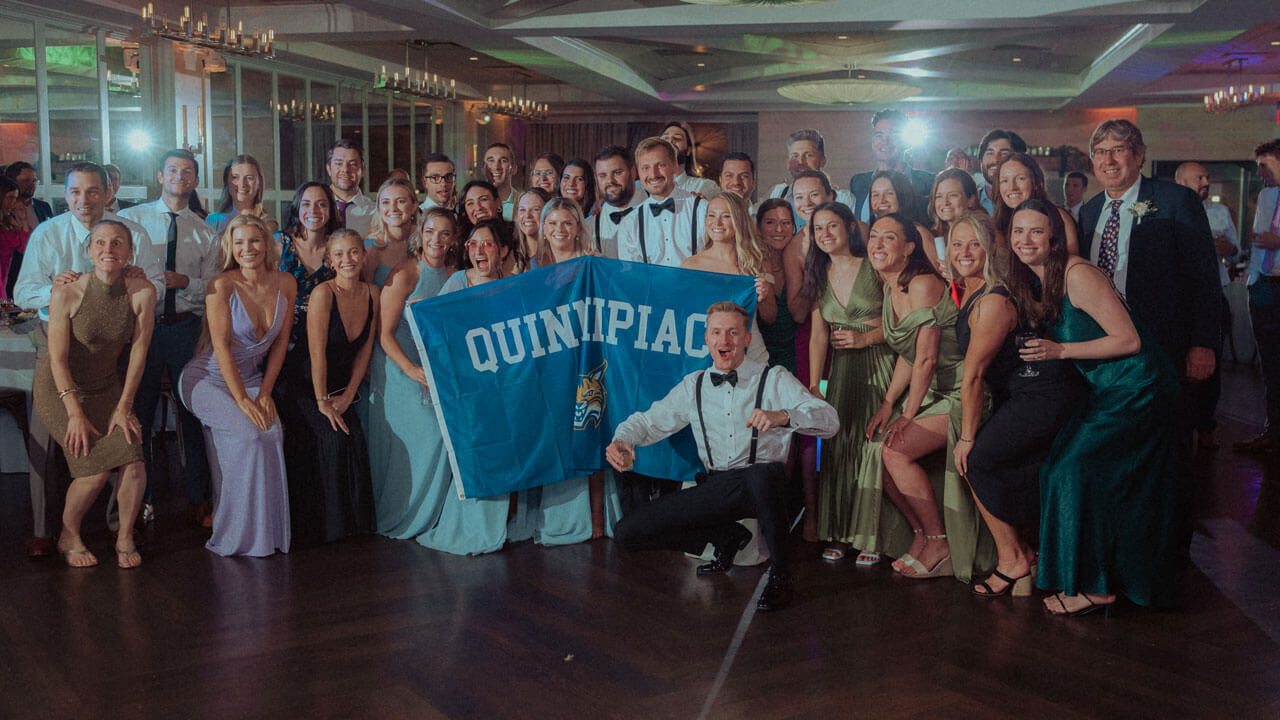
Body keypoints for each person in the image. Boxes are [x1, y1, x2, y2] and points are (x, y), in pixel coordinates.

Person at [1007, 198, 1182, 614]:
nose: (1025, 239)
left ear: (1053, 237)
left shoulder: (1078, 274)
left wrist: (1060, 350)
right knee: (1060, 469)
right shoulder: (1034, 278)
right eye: (1018, 231)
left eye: (1035, 231)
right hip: (1108, 390)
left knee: (1071, 470)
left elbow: (1129, 341)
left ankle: (1096, 586)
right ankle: (1092, 576)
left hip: (1140, 388)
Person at [606, 301, 840, 611]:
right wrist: (622, 438)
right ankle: (726, 536)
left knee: (760, 475)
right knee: (627, 534)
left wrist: (783, 415)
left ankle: (782, 576)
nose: (724, 341)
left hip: (768, 486)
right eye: (716, 332)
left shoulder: (773, 378)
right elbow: (650, 421)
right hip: (719, 486)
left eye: (732, 332)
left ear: (747, 339)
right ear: (706, 339)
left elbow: (829, 420)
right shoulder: (695, 385)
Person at [1076, 119, 1219, 561]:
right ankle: (1122, 547)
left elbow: (1203, 276)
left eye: (1119, 150)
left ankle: (1169, 558)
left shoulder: (1174, 201)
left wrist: (1204, 342)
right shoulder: (1088, 209)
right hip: (1108, 354)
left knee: (1171, 454)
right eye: (1101, 153)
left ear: (1139, 155)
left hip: (1166, 347)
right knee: (1120, 452)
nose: (1109, 160)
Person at [13, 162, 162, 558]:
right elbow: (22, 291)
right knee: (49, 442)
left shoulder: (132, 235)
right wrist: (57, 289)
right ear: (66, 195)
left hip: (112, 352)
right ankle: (48, 530)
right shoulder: (48, 233)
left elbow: (155, 285)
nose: (84, 199)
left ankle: (120, 527)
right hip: (58, 347)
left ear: (108, 192)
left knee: (126, 443)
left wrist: (133, 278)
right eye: (76, 192)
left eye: (93, 191)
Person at [950, 211, 1081, 597]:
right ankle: (1028, 553)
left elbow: (972, 376)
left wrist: (967, 437)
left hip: (1044, 393)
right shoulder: (975, 291)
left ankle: (1014, 558)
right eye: (957, 244)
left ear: (991, 248)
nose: (965, 251)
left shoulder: (994, 299)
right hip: (1025, 393)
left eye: (974, 243)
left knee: (975, 461)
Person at [858, 213, 985, 581]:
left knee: (896, 449)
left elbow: (928, 356)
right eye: (874, 237)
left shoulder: (923, 283)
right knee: (875, 451)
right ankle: (920, 534)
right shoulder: (889, 286)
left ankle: (940, 541)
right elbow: (908, 353)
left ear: (909, 248)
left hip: (962, 390)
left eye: (889, 238)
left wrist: (908, 415)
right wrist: (887, 404)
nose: (878, 244)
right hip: (931, 389)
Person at [32, 219, 155, 568]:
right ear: (88, 252)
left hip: (106, 386)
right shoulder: (67, 292)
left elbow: (139, 354)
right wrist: (74, 412)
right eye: (100, 243)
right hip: (60, 387)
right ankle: (68, 534)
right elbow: (56, 358)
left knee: (133, 459)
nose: (108, 250)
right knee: (94, 471)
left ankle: (127, 535)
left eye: (117, 243)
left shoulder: (143, 291)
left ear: (130, 251)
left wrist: (125, 406)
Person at [180, 214, 296, 557]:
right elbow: (220, 349)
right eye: (240, 242)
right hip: (208, 380)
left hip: (253, 380)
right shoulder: (221, 285)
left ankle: (266, 536)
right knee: (247, 435)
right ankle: (231, 533)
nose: (248, 249)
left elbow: (280, 344)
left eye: (255, 241)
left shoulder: (286, 282)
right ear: (230, 247)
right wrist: (243, 400)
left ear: (267, 244)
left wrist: (263, 393)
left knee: (272, 434)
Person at [118, 149, 218, 528]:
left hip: (186, 328)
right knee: (136, 415)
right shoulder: (131, 220)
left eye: (188, 171)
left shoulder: (205, 231)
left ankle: (198, 497)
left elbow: (211, 286)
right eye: (173, 170)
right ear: (160, 176)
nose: (180, 176)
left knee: (193, 412)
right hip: (141, 329)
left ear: (194, 179)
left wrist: (185, 282)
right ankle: (138, 504)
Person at [800, 201, 894, 564]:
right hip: (841, 373)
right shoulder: (819, 273)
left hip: (880, 365)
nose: (825, 234)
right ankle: (839, 531)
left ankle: (870, 535)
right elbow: (818, 336)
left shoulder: (874, 266)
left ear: (850, 227)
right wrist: (813, 386)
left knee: (872, 445)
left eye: (832, 226)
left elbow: (902, 323)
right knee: (839, 449)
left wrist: (865, 337)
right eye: (818, 228)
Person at [280, 229, 377, 546]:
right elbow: (316, 351)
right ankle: (325, 530)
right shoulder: (323, 293)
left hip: (338, 387)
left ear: (363, 256)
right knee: (333, 439)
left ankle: (354, 528)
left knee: (357, 439)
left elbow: (364, 351)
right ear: (330, 261)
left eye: (353, 252)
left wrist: (349, 395)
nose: (347, 260)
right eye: (339, 254)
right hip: (303, 386)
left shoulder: (373, 294)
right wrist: (322, 401)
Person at [367, 206, 459, 543]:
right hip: (398, 365)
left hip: (436, 367)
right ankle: (406, 513)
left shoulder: (455, 274)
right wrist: (411, 370)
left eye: (445, 233)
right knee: (433, 431)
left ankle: (435, 515)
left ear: (453, 240)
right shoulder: (406, 272)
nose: (437, 239)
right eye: (431, 231)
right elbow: (384, 334)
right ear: (421, 233)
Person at [429, 218, 519, 554]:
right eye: (472, 244)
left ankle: (503, 521)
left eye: (487, 244)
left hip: (505, 386)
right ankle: (471, 524)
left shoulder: (515, 286)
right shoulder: (456, 282)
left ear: (503, 251)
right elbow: (436, 331)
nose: (478, 250)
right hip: (467, 386)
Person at [1176, 161, 1236, 451]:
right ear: (1181, 181)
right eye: (1199, 177)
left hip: (1214, 294)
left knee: (1211, 362)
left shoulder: (1219, 212)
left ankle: (1207, 425)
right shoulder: (1171, 210)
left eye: (1207, 177)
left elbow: (1232, 249)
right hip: (1178, 299)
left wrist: (1210, 245)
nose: (1205, 181)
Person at [681, 192, 774, 365]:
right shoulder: (690, 265)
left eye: (725, 216)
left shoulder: (758, 262)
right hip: (705, 356)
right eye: (711, 215)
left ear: (739, 220)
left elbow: (770, 318)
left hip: (752, 357)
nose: (716, 223)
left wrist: (765, 296)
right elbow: (681, 317)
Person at [1237, 140, 1280, 454]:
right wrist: (1252, 282)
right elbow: (1258, 239)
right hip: (1264, 283)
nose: (1260, 172)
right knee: (1270, 363)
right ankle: (1273, 432)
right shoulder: (1266, 196)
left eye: (1265, 165)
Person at [615, 137, 707, 267]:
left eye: (660, 165)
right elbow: (631, 277)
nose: (653, 174)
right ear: (638, 172)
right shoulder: (630, 223)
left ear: (674, 165)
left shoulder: (702, 210)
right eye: (645, 168)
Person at [850, 109, 935, 224]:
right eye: (879, 135)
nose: (885, 141)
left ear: (906, 143)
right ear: (873, 141)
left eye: (893, 135)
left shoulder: (929, 182)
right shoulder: (858, 182)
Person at [993, 153, 1080, 255]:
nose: (1012, 187)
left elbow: (1074, 264)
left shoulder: (1059, 216)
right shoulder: (998, 223)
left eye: (1020, 178)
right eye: (1004, 181)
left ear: (1036, 183)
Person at [765, 129, 855, 211]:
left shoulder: (843, 199)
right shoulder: (777, 194)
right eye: (795, 156)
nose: (800, 162)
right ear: (788, 164)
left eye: (808, 155)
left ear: (822, 161)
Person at [867, 170, 937, 271]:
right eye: (875, 195)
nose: (881, 200)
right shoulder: (872, 231)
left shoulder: (919, 233)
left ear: (903, 196)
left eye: (889, 193)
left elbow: (941, 274)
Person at [363, 178, 419, 286]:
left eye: (400, 201)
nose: (393, 208)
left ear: (414, 206)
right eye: (385, 202)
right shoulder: (370, 247)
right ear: (379, 208)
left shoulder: (426, 238)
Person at [591, 145, 643, 259]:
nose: (610, 180)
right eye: (603, 175)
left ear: (633, 172)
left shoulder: (660, 208)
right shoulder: (590, 226)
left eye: (617, 172)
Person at [206, 154, 277, 235]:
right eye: (235, 177)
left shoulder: (267, 223)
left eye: (249, 178)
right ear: (227, 182)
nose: (242, 184)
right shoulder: (212, 220)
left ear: (259, 183)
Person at [326, 139, 376, 238]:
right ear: (329, 169)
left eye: (352, 164)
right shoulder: (314, 209)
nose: (345, 170)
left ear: (363, 171)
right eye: (338, 163)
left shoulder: (376, 212)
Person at [660, 121, 719, 198]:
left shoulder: (707, 187)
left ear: (688, 150)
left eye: (677, 138)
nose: (670, 141)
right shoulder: (643, 187)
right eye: (665, 138)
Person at [975, 129, 1027, 214]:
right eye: (990, 153)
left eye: (1004, 153)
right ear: (981, 160)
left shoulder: (1028, 203)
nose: (996, 160)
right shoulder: (970, 202)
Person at [0, 175, 29, 300]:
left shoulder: (9, 225)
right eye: (10, 198)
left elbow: (27, 249)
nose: (13, 203)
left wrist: (24, 221)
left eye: (15, 198)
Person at [482, 142, 517, 220]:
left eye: (503, 161)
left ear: (514, 169)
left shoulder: (523, 202)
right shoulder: (476, 205)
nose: (496, 167)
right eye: (491, 160)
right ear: (483, 169)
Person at [515, 187, 551, 263]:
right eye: (522, 210)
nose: (527, 215)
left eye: (535, 209)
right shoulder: (511, 253)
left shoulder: (558, 253)